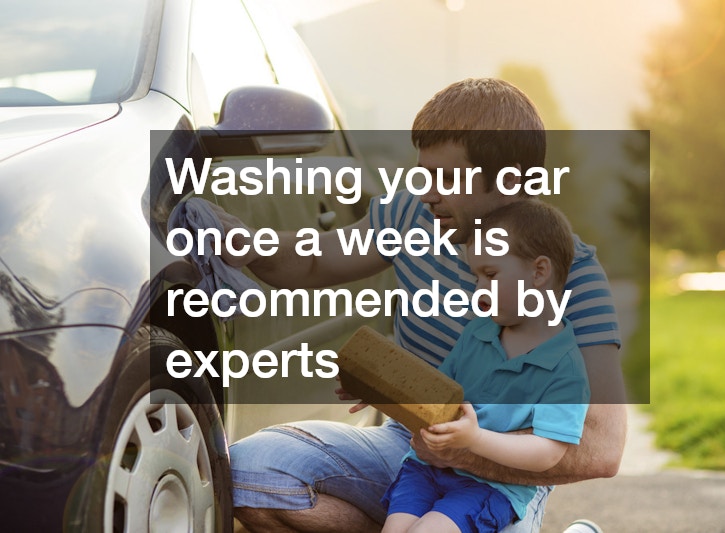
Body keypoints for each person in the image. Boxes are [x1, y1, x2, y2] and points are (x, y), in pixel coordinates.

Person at [219, 78, 627, 533]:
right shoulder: (412, 217)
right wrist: (246, 244)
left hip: (503, 478)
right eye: (425, 174)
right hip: (409, 447)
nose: (429, 192)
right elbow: (313, 260)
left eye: (448, 178)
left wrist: (468, 448)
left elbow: (602, 448)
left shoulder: (574, 276)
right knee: (249, 475)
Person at [381, 200, 590, 533]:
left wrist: (475, 439)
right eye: (476, 276)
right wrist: (380, 388)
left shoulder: (564, 366)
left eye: (490, 275)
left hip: (489, 485)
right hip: (425, 469)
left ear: (539, 272)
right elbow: (436, 392)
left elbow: (547, 452)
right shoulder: (479, 331)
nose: (478, 290)